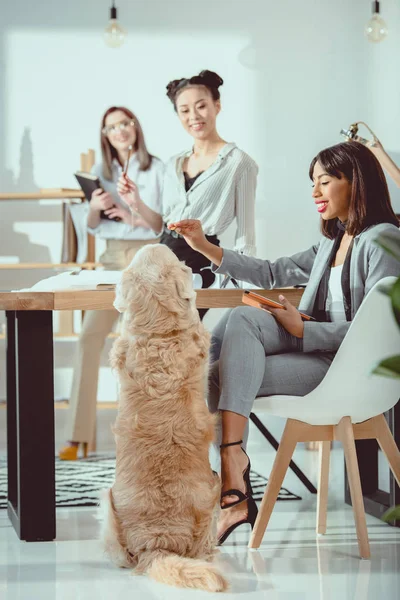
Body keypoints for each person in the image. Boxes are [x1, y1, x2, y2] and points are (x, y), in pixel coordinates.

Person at [168, 141, 400, 545]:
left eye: (324, 182)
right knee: (240, 317)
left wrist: (303, 331)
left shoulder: (383, 240)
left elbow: (377, 332)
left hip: (343, 367)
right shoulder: (333, 240)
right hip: (313, 348)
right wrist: (205, 247)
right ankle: (230, 467)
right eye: (313, 183)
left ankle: (209, 477)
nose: (314, 193)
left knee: (215, 375)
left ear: (356, 182)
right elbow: (274, 271)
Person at [59, 106, 164, 460]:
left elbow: (163, 225)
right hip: (110, 258)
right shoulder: (99, 171)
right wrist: (95, 204)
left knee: (142, 347)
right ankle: (77, 436)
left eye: (124, 123)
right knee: (89, 337)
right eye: (111, 127)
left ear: (136, 126)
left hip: (147, 257)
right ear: (104, 134)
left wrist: (131, 215)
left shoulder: (159, 168)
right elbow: (92, 225)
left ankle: (145, 437)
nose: (119, 130)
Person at [117, 69, 258, 319]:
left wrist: (240, 290)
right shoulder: (173, 163)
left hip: (200, 259)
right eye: (184, 110)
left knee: (181, 338)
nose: (193, 116)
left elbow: (245, 237)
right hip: (160, 257)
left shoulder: (240, 163)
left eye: (201, 106)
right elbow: (161, 225)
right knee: (146, 335)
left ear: (217, 106)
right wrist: (134, 201)